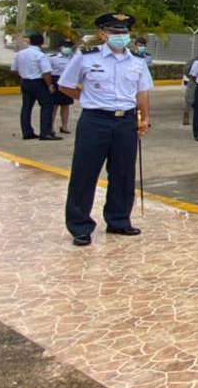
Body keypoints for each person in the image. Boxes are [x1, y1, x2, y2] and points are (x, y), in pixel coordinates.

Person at [58, 12, 152, 246]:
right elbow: (65, 85)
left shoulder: (137, 61)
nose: (120, 36)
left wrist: (145, 118)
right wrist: (87, 97)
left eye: (123, 32)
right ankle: (80, 226)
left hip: (125, 122)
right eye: (114, 32)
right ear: (103, 34)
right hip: (95, 120)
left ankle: (119, 220)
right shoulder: (86, 56)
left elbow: (142, 91)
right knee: (84, 173)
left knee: (123, 174)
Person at [11, 33, 60, 141]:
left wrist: (23, 77)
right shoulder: (40, 55)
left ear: (29, 41)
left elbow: (14, 69)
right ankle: (46, 133)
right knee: (47, 106)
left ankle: (27, 132)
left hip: (26, 82)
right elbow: (46, 72)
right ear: (42, 43)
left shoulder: (20, 54)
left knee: (26, 107)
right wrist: (50, 85)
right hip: (38, 83)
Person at [48, 40, 76, 134]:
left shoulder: (73, 58)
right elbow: (47, 71)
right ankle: (51, 127)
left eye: (69, 46)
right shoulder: (52, 58)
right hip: (56, 81)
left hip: (68, 82)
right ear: (59, 47)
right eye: (65, 46)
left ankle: (64, 126)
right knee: (54, 106)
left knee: (66, 105)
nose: (68, 48)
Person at [182, 47, 198, 126]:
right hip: (193, 82)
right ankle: (186, 117)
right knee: (189, 99)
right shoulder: (194, 60)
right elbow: (186, 70)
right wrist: (191, 78)